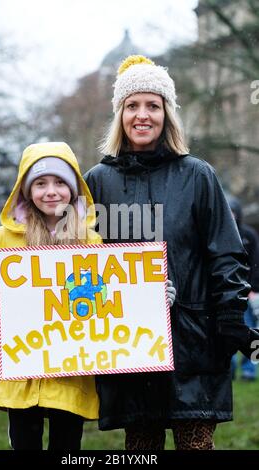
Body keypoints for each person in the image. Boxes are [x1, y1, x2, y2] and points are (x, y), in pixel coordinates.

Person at [84, 55, 259, 450]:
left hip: (193, 341)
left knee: (195, 445)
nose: (142, 115)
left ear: (167, 113)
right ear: (119, 114)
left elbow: (226, 255)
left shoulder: (197, 175)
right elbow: (77, 260)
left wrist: (231, 319)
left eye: (153, 105)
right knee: (141, 449)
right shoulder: (97, 181)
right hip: (128, 346)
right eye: (132, 105)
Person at [0, 141, 102, 451]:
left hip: (72, 370)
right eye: (41, 183)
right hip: (22, 368)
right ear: (26, 190)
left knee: (67, 445)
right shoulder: (4, 237)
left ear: (73, 188)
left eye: (60, 182)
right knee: (23, 441)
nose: (51, 191)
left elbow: (105, 301)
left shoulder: (91, 240)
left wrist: (150, 297)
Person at [227, 195, 259, 381]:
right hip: (228, 294)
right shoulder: (219, 235)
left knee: (250, 331)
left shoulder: (248, 235)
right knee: (229, 332)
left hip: (247, 294)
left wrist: (253, 289)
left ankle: (250, 371)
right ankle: (229, 370)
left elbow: (256, 263)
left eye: (233, 212)